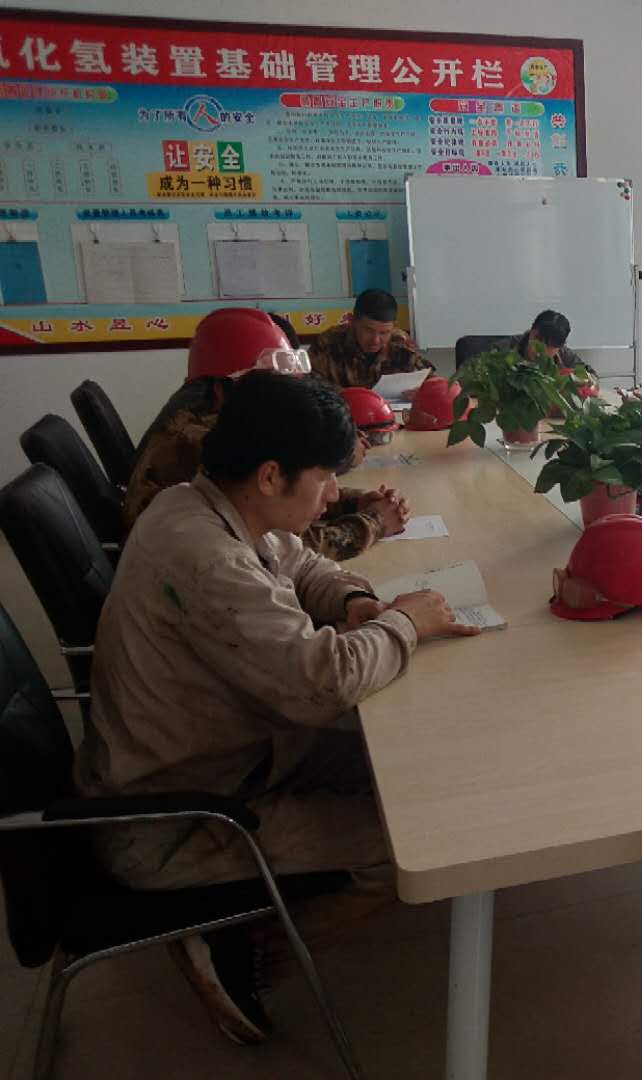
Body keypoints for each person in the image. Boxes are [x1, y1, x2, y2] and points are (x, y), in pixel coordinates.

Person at [77, 371, 481, 1044]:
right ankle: (240, 943)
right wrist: (406, 622)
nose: (333, 496)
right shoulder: (208, 557)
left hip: (230, 754)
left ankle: (238, 923)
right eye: (324, 477)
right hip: (175, 820)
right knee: (410, 844)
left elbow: (303, 566)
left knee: (411, 776)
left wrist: (355, 601)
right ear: (270, 476)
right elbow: (324, 682)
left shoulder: (201, 503)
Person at [124, 307, 408, 560]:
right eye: (275, 389)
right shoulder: (200, 444)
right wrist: (374, 523)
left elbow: (283, 492)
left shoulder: (215, 419)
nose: (286, 403)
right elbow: (285, 552)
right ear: (223, 389)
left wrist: (351, 502)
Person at [307, 288, 432, 390]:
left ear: (394, 326)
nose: (376, 340)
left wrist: (422, 392)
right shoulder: (329, 343)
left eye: (384, 333)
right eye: (369, 331)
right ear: (353, 321)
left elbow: (432, 381)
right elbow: (306, 383)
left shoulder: (400, 343)